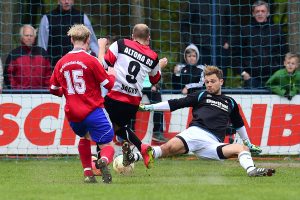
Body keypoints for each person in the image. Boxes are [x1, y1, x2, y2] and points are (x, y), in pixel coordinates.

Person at [138, 65, 276, 177]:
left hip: (213, 144)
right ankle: (133, 157)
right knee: (167, 149)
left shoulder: (230, 102)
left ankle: (252, 170)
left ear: (221, 81)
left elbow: (239, 124)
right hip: (195, 133)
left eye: (213, 81)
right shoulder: (201, 95)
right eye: (207, 82)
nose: (209, 85)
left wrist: (248, 143)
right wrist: (149, 107)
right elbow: (175, 103)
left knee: (242, 149)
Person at [49, 24, 116, 184]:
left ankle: (88, 173)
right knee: (108, 144)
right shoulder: (91, 60)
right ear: (87, 40)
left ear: (71, 39)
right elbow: (109, 85)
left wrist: (66, 92)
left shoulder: (61, 62)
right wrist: (112, 74)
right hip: (93, 110)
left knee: (84, 137)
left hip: (73, 113)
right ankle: (103, 161)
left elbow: (53, 88)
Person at [98, 23, 168, 169]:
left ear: (132, 36)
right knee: (118, 127)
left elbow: (103, 65)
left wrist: (101, 47)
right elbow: (155, 79)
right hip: (133, 102)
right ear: (148, 38)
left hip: (115, 96)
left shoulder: (121, 44)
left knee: (100, 126)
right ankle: (143, 148)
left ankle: (100, 162)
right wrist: (160, 65)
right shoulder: (153, 56)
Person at [180, 0, 238, 81]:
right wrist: (189, 44)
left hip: (220, 49)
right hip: (200, 49)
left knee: (219, 80)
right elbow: (184, 24)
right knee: (200, 80)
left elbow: (233, 24)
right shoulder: (195, 2)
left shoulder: (225, 2)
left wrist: (229, 42)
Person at [240, 0, 288, 88]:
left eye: (263, 11)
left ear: (268, 13)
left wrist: (280, 72)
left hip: (274, 76)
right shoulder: (245, 30)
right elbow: (237, 53)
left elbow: (284, 52)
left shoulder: (277, 30)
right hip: (251, 77)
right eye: (257, 11)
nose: (260, 14)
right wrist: (242, 72)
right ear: (253, 14)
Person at [38, 0, 98, 67]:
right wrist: (42, 65)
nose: (66, 2)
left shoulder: (82, 16)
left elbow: (92, 42)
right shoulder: (47, 18)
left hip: (79, 64)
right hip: (54, 65)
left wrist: (99, 58)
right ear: (58, 0)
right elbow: (42, 46)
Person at [3, 24, 51, 89]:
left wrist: (46, 90)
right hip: (19, 95)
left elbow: (48, 74)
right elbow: (8, 75)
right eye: (26, 35)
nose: (29, 38)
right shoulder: (14, 54)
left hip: (40, 95)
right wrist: (16, 90)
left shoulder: (43, 53)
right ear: (22, 37)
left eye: (31, 35)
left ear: (34, 37)